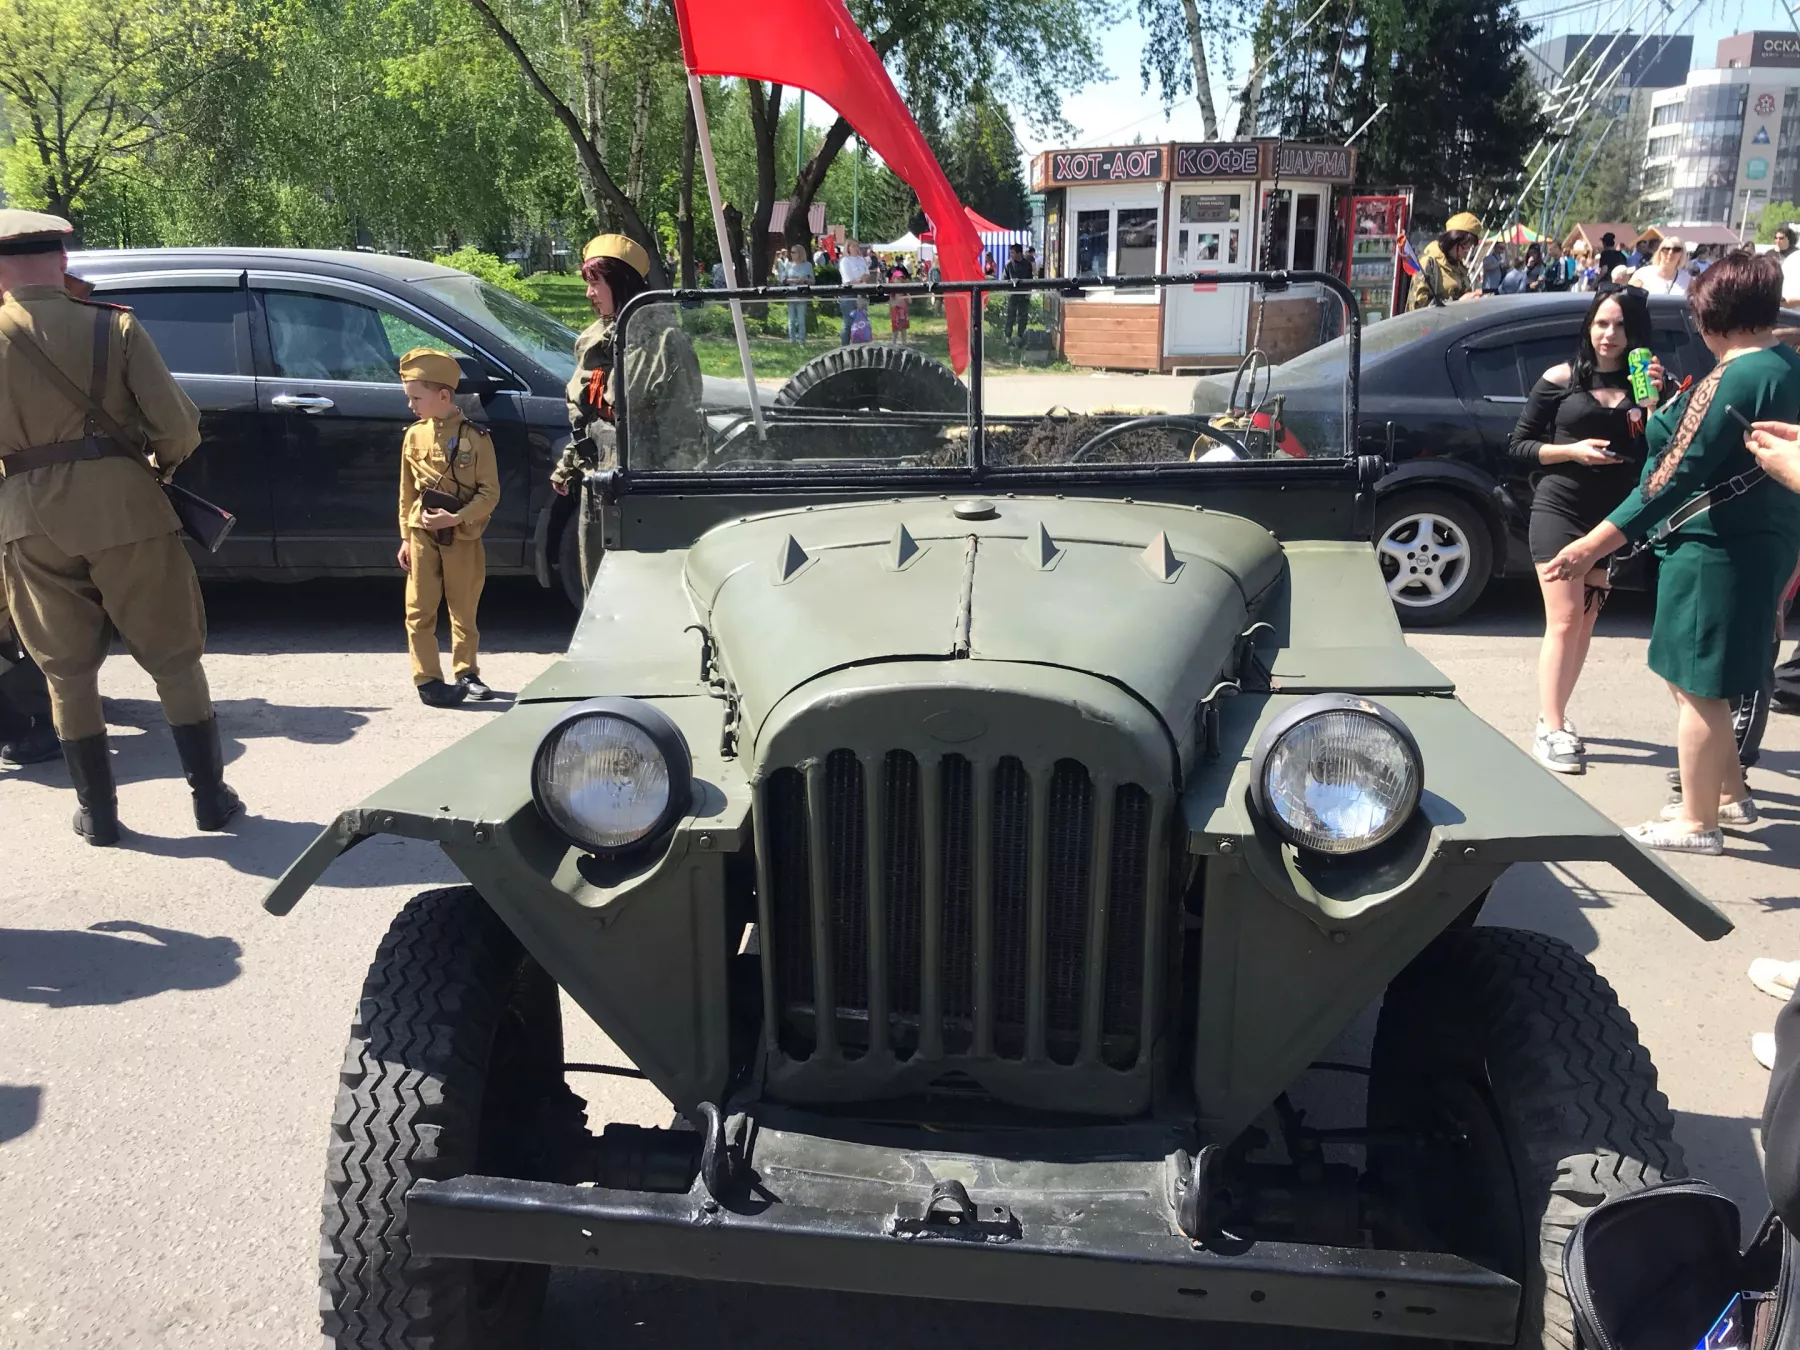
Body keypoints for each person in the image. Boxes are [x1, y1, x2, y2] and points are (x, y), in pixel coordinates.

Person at [1545, 251, 1800, 853]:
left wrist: (1592, 544)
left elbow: (1670, 477)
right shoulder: (1785, 364)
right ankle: (1728, 794)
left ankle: (1696, 819)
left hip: (1715, 548)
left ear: (1712, 317)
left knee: (1697, 687)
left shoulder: (1737, 375)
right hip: (1759, 544)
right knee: (1702, 680)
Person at [0, 208, 240, 845]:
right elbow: (179, 428)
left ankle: (99, 815)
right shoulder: (114, 326)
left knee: (66, 672)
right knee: (174, 657)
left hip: (27, 518)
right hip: (127, 510)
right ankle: (210, 800)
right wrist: (153, 468)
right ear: (62, 262)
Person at [1510, 286, 1664, 774]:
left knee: (1585, 621)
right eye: (1601, 323)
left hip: (1613, 520)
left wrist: (1655, 402)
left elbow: (1662, 450)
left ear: (1634, 331)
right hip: (1560, 508)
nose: (1608, 334)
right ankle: (1551, 728)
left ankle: (1554, 714)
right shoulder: (1561, 378)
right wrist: (1572, 452)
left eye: (1619, 325)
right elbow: (1518, 445)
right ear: (1588, 326)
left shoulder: (1648, 385)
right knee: (1563, 618)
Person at [395, 348, 498, 709]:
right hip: (422, 535)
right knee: (419, 609)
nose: (410, 405)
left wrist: (456, 517)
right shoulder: (414, 436)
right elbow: (407, 491)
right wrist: (405, 537)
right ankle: (428, 680)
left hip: (462, 536)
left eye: (416, 398)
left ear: (443, 396)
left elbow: (490, 493)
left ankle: (467, 672)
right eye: (409, 398)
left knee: (463, 607)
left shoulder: (477, 438)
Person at [1408, 213, 1483, 309]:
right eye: (1464, 247)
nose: (1466, 252)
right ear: (1453, 240)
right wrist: (1458, 303)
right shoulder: (1429, 263)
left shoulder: (1458, 265)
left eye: (1469, 248)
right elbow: (1418, 306)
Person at [776, 243, 813, 344]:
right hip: (791, 295)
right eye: (791, 252)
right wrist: (793, 280)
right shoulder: (788, 265)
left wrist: (805, 279)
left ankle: (801, 341)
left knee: (801, 320)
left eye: (793, 252)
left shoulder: (807, 265)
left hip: (802, 296)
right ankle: (792, 340)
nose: (791, 254)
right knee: (791, 321)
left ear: (800, 253)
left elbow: (812, 280)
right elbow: (783, 279)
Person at [837, 240, 870, 345]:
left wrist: (862, 280)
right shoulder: (845, 261)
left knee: (862, 321)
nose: (856, 248)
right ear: (848, 248)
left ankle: (860, 345)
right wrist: (859, 281)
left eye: (857, 246)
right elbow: (847, 280)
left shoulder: (861, 259)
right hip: (849, 294)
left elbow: (867, 273)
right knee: (848, 323)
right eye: (853, 246)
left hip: (862, 293)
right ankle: (845, 346)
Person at [1002, 242, 1033, 344]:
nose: (1011, 255)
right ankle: (1008, 336)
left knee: (1023, 316)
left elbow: (1031, 279)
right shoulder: (1009, 265)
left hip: (1024, 294)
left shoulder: (1027, 264)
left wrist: (1028, 291)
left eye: (1013, 252)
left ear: (1019, 253)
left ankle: (1020, 336)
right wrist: (1009, 284)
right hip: (1013, 294)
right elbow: (1004, 279)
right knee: (1010, 315)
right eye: (1010, 253)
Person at [886, 255, 911, 343]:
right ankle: (894, 343)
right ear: (893, 279)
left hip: (903, 312)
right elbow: (891, 302)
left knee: (903, 329)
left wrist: (907, 295)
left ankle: (904, 343)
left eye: (901, 279)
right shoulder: (892, 292)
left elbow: (910, 301)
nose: (899, 280)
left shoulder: (904, 291)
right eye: (897, 279)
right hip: (896, 313)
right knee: (895, 330)